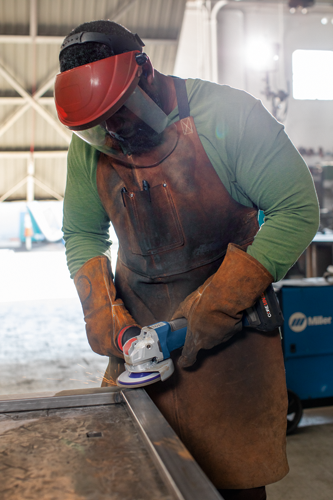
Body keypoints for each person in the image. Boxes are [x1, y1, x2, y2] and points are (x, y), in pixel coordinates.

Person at [55, 20, 319, 500]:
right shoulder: (93, 140)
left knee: (230, 482)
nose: (113, 131)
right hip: (137, 330)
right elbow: (82, 232)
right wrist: (109, 320)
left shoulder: (232, 116)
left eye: (119, 112)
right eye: (99, 126)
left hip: (232, 331)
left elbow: (297, 209)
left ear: (146, 74)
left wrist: (216, 305)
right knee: (138, 476)